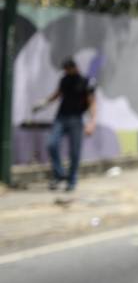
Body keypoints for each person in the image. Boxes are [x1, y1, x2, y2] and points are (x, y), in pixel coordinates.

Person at [33, 58, 97, 192]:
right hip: (61, 117)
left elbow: (91, 103)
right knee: (51, 144)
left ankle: (71, 181)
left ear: (75, 68)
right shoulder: (65, 80)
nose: (67, 72)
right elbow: (57, 94)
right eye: (65, 70)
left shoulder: (86, 82)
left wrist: (92, 122)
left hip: (76, 119)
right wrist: (43, 103)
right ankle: (60, 174)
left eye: (68, 69)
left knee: (75, 152)